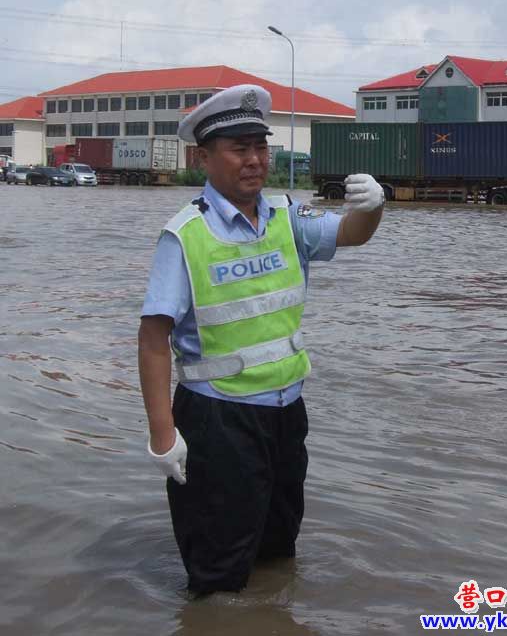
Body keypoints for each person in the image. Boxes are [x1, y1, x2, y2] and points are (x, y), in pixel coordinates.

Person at [138, 84, 384, 596]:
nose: (254, 160)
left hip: (286, 416)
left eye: (260, 146)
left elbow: (353, 233)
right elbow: (153, 338)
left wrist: (374, 207)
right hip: (217, 421)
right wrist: (163, 435)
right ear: (204, 157)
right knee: (219, 572)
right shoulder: (185, 235)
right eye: (238, 148)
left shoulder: (287, 218)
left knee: (277, 551)